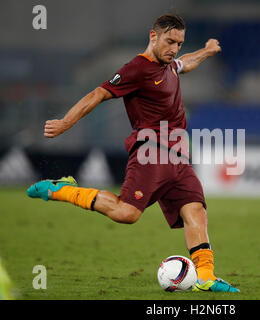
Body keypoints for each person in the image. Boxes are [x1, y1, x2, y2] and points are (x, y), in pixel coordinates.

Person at [27, 13, 239, 293]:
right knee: (126, 213)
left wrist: (208, 52)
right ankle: (62, 190)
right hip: (151, 152)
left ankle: (206, 277)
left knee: (196, 211)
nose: (174, 48)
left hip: (178, 157)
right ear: (153, 36)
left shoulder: (169, 65)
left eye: (179, 43)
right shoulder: (136, 69)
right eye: (170, 41)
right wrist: (66, 122)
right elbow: (98, 94)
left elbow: (184, 63)